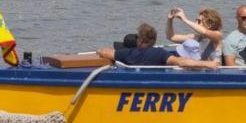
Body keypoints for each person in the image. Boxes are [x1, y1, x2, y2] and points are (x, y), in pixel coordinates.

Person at [45, 23, 175, 69]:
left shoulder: (128, 54)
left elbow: (104, 52)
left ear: (139, 41)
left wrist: (100, 50)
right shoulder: (161, 54)